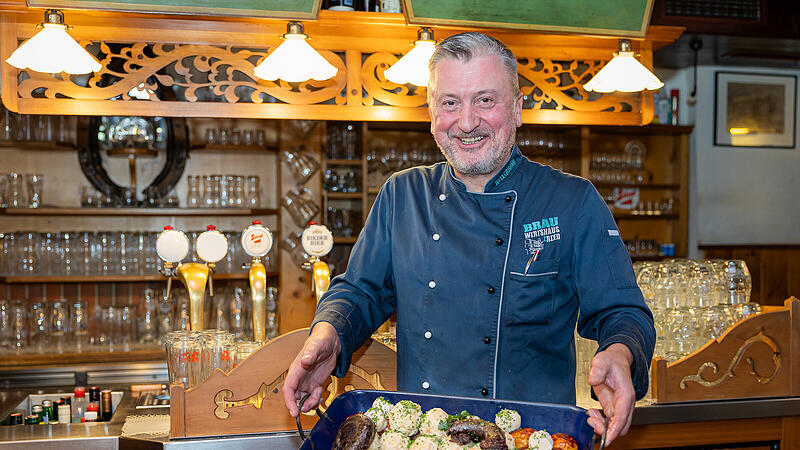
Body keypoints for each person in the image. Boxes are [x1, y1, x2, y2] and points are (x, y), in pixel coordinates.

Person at [283, 31, 655, 445]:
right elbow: (359, 291)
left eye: (485, 100)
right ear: (431, 114)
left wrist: (621, 353)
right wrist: (328, 335)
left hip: (532, 438)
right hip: (425, 436)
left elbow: (623, 312)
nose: (466, 122)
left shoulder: (572, 201)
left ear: (516, 109)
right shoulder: (402, 195)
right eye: (450, 103)